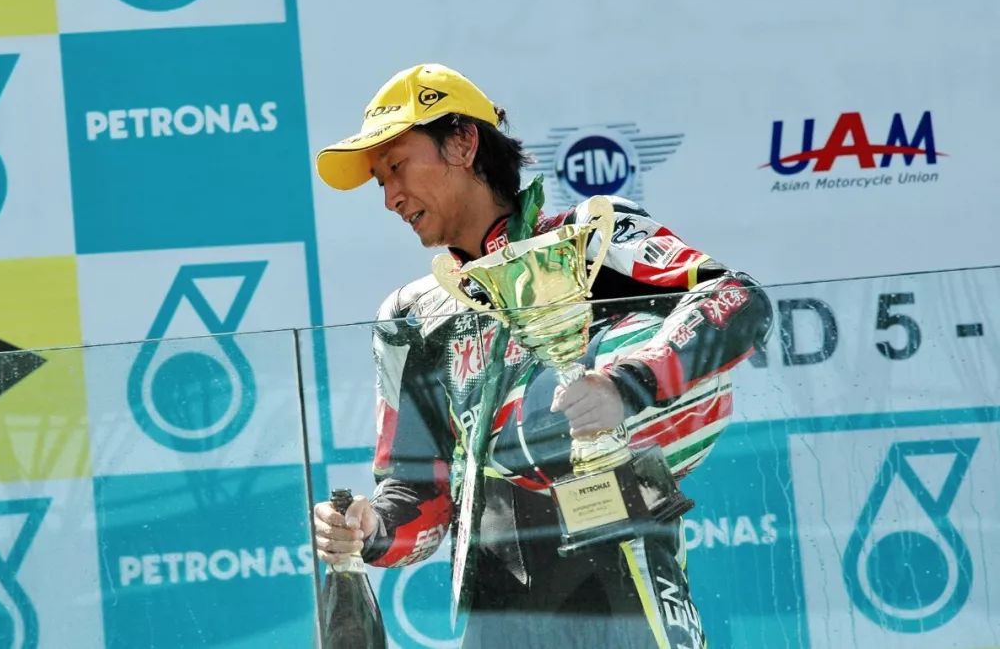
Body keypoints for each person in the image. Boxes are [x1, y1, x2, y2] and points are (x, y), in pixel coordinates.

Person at [313, 63, 773, 648]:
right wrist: (371, 528)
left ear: (463, 143)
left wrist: (625, 385)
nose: (390, 198)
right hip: (499, 611)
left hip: (623, 576)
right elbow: (418, 493)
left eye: (397, 167)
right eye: (380, 182)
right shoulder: (413, 314)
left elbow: (737, 299)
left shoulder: (589, 237)